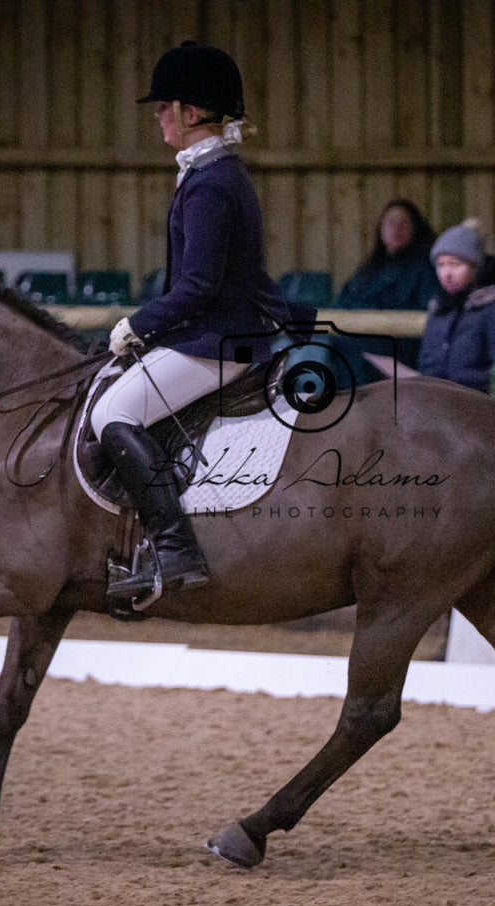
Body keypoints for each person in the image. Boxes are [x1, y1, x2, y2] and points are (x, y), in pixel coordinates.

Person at [92, 41, 288, 599]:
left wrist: (138, 325)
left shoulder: (212, 183)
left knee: (114, 411)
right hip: (217, 333)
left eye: (163, 106)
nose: (157, 115)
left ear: (192, 112)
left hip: (218, 341)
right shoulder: (210, 174)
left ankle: (176, 549)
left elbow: (198, 286)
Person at [417, 218, 495, 393]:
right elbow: (426, 363)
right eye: (441, 265)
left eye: (455, 264)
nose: (446, 273)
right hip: (435, 403)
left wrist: (459, 381)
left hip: (477, 406)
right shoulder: (439, 308)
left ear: (475, 267)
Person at [332, 200, 439, 310]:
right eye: (391, 222)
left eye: (404, 223)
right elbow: (342, 302)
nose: (397, 228)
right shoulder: (369, 268)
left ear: (414, 229)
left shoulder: (425, 267)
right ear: (381, 228)